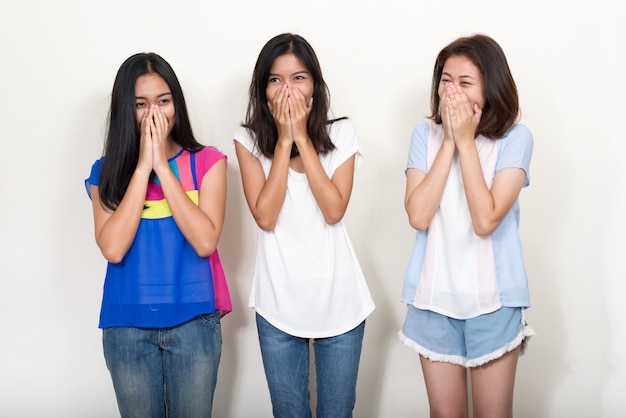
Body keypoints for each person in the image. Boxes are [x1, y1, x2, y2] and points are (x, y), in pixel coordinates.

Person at [234, 33, 375, 418]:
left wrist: (302, 139)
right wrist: (283, 142)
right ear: (262, 90)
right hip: (276, 304)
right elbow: (265, 216)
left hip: (341, 302)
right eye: (276, 79)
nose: (287, 89)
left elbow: (333, 210)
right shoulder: (247, 140)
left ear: (314, 84)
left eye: (299, 78)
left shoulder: (342, 133)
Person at [85, 52, 229, 418]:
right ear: (124, 110)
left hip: (194, 324)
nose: (154, 113)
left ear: (175, 105)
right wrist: (141, 169)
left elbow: (205, 240)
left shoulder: (207, 162)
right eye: (140, 104)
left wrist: (162, 167)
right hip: (126, 328)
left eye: (163, 101)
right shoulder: (105, 173)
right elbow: (113, 248)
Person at [398, 34, 535, 418]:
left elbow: (485, 218)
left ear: (490, 88)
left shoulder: (516, 139)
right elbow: (418, 215)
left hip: (493, 304)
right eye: (445, 80)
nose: (451, 92)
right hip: (432, 302)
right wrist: (448, 143)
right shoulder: (424, 135)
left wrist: (466, 142)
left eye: (464, 82)